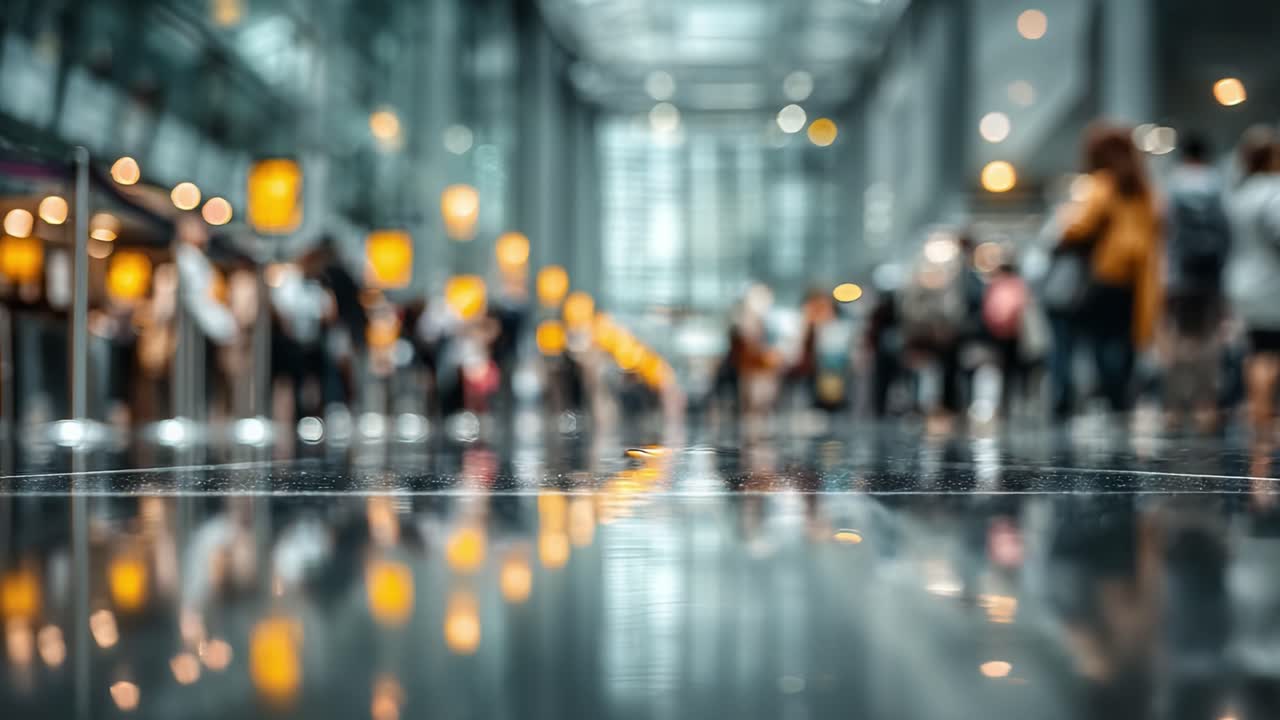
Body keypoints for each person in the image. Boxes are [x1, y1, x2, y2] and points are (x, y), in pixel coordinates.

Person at [1058, 122, 1163, 414]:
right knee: (1125, 340)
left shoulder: (1101, 184)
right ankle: (1121, 396)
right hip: (1139, 277)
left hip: (1104, 274)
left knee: (1100, 340)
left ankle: (1112, 395)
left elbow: (1078, 227)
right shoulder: (1144, 187)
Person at [1163, 132, 1232, 431]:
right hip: (1211, 275)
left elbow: (1163, 230)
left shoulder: (1172, 183)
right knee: (1209, 340)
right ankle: (1207, 406)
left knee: (1178, 339)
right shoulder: (1218, 183)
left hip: (1180, 275)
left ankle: (1175, 408)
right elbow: (1228, 231)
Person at [1225, 127, 1280, 439]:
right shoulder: (1274, 190)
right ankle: (1266, 418)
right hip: (1272, 284)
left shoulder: (1240, 193)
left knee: (1257, 350)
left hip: (1242, 282)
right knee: (1273, 351)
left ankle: (1258, 418)